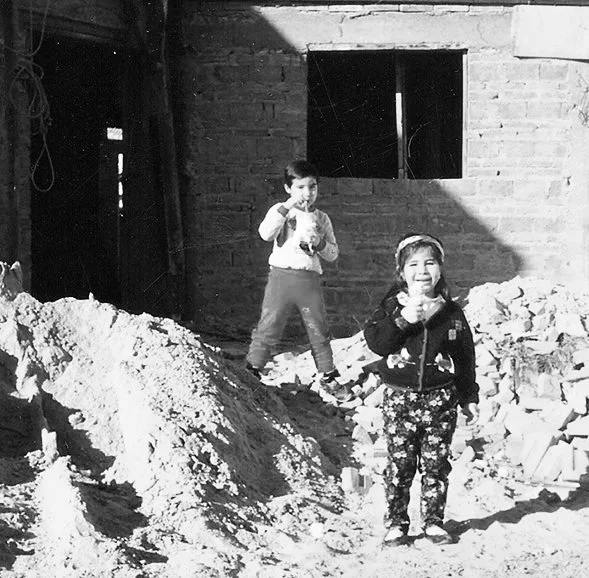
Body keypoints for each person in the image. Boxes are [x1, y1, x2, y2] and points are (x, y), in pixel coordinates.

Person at [363, 233, 479, 545]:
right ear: (401, 271)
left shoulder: (451, 313)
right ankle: (397, 523)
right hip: (399, 400)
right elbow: (377, 343)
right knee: (400, 464)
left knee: (436, 464)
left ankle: (433, 522)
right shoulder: (391, 307)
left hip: (440, 400)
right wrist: (403, 320)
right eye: (413, 264)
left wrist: (469, 397)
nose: (422, 270)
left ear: (441, 268)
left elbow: (465, 357)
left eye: (430, 262)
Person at [246, 159, 350, 401]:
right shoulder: (280, 211)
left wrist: (320, 243)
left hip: (308, 280)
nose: (307, 193)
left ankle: (327, 375)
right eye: (300, 187)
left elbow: (333, 254)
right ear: (288, 189)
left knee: (318, 328)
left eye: (312, 187)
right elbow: (265, 234)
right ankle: (253, 369)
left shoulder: (322, 218)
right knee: (269, 325)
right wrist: (286, 207)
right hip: (281, 278)